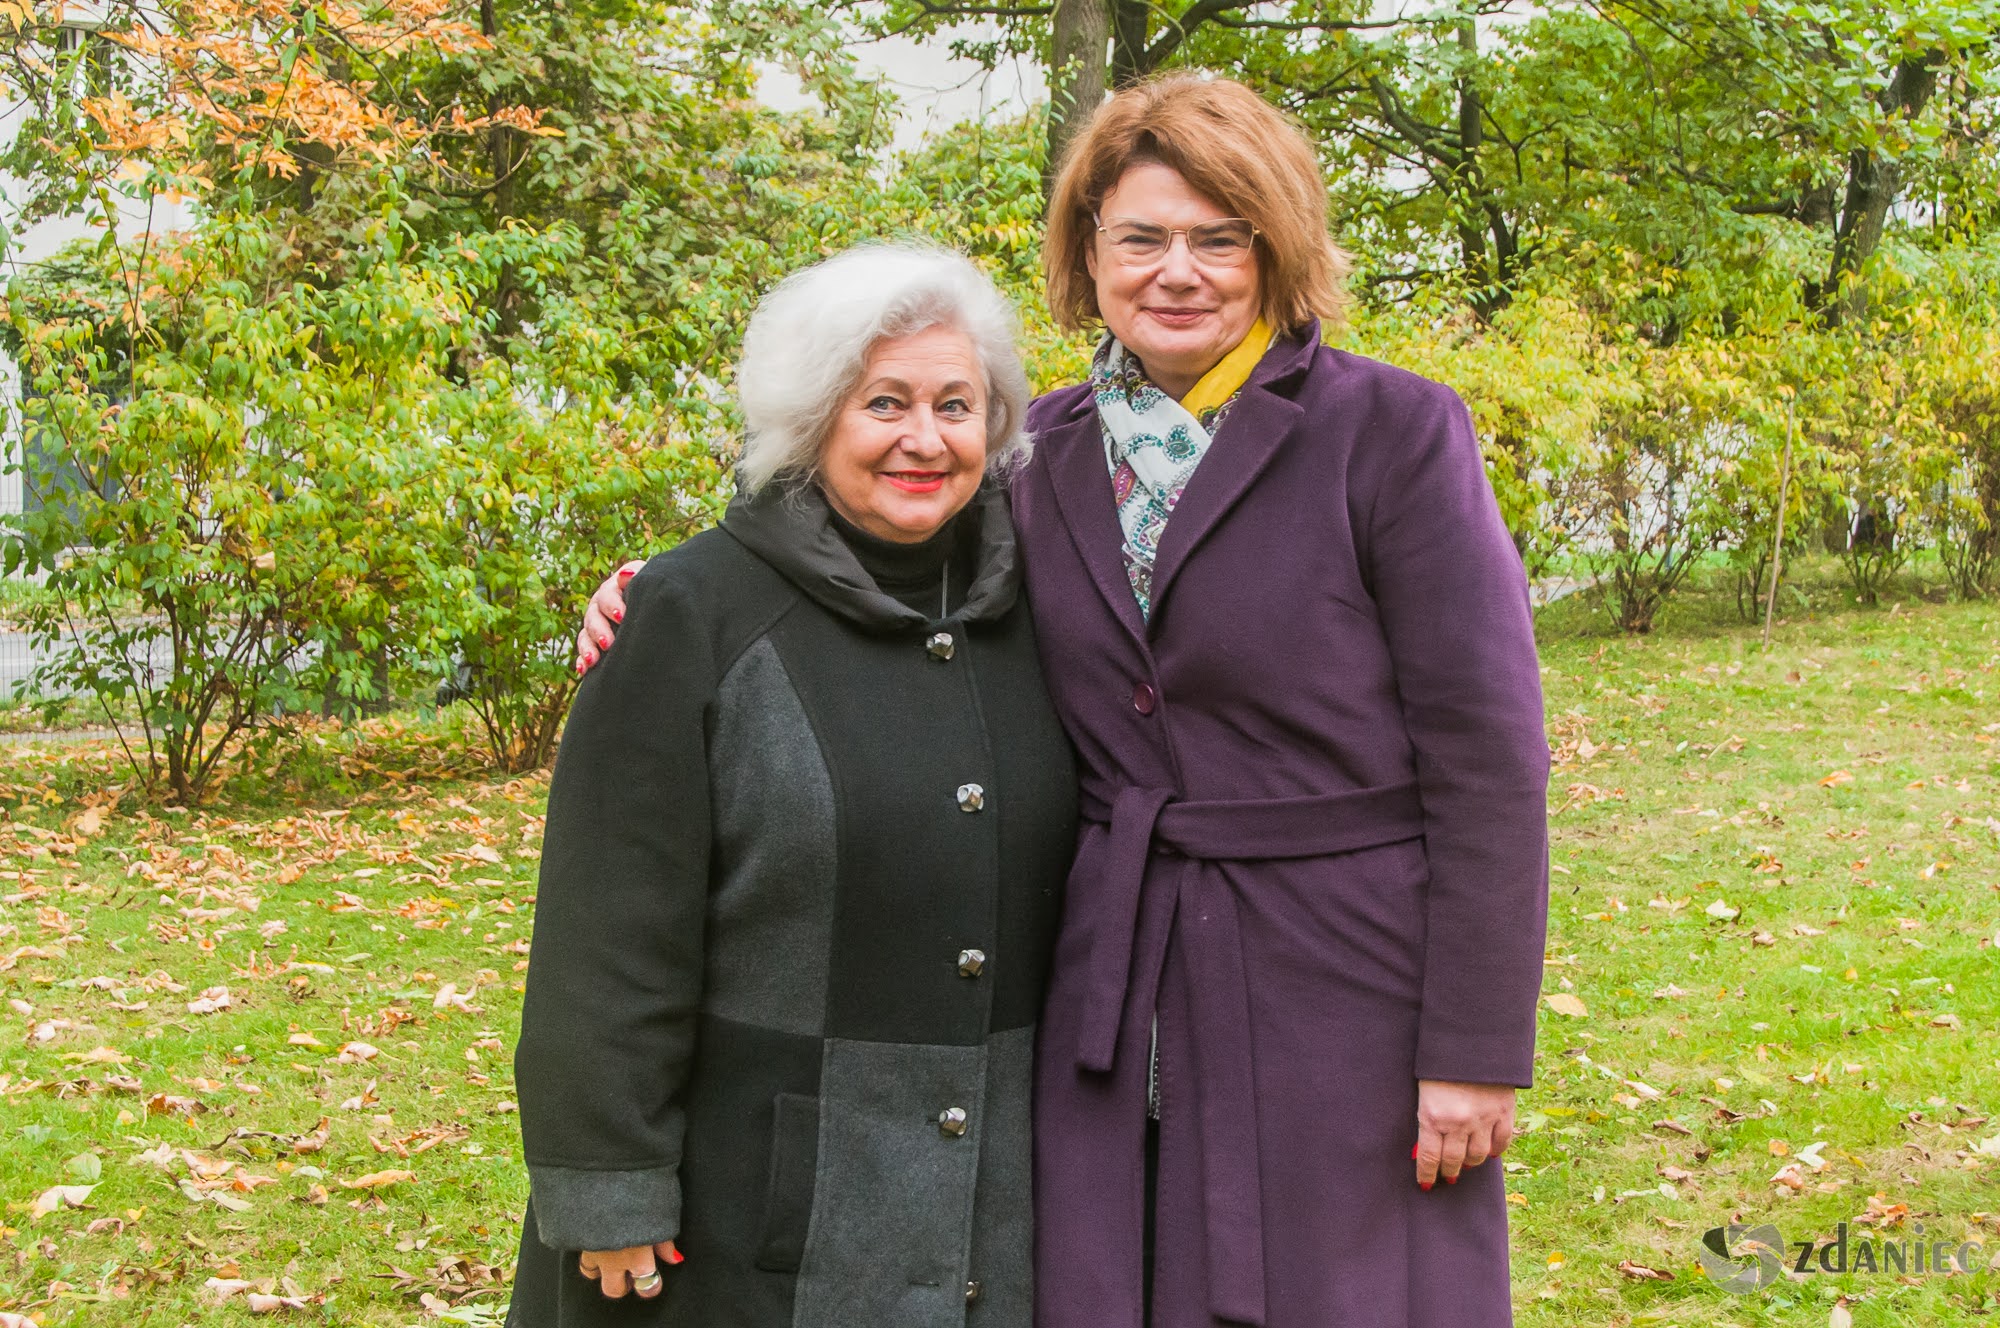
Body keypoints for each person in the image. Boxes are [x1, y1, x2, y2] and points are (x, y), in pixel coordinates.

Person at [576, 73, 1549, 1328]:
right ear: (1086, 253)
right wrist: (665, 591)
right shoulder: (1040, 448)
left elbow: (1488, 759)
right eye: (1139, 237)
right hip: (1106, 965)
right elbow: (874, 527)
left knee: (1339, 1286)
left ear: (1276, 246)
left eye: (1218, 237)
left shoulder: (1392, 434)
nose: (1177, 272)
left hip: (1339, 973)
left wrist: (1470, 1044)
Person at [509, 245, 1079, 1328]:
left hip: (986, 1213)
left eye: (957, 403)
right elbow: (606, 930)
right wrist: (606, 1185)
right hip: (743, 1220)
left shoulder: (1040, 612)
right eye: (885, 402)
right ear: (811, 419)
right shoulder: (690, 614)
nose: (925, 437)